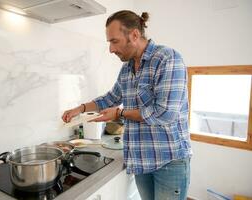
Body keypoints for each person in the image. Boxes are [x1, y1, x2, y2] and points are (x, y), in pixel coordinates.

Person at [62, 10, 192, 200]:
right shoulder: (127, 68)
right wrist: (80, 109)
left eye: (114, 41)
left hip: (169, 161)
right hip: (140, 160)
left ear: (134, 35)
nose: (111, 49)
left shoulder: (167, 59)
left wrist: (120, 113)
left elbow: (165, 114)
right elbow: (110, 98)